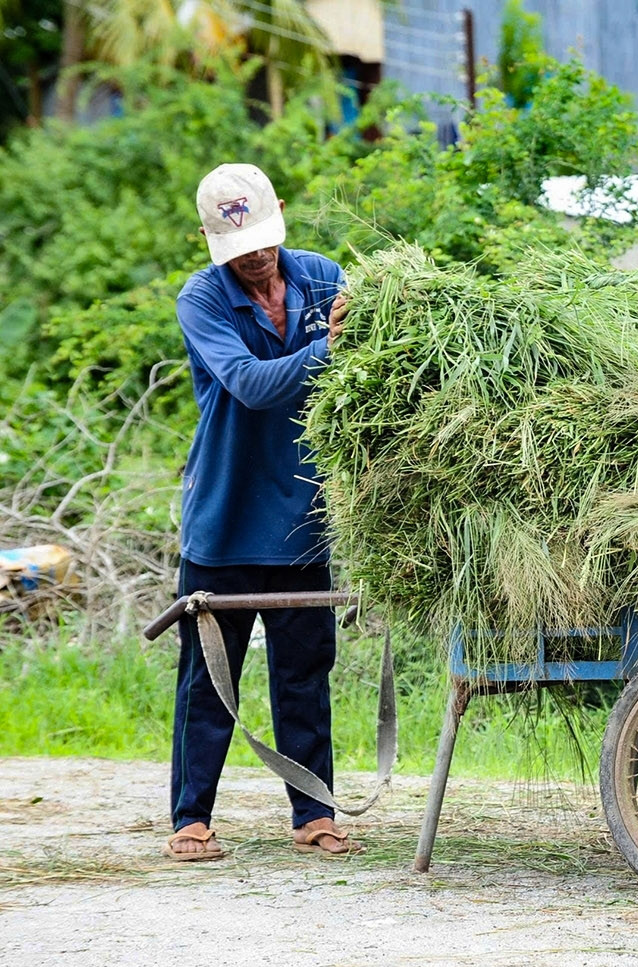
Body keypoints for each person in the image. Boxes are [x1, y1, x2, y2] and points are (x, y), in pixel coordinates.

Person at [164, 163, 354, 861]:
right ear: (210, 240)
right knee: (209, 682)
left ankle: (314, 813)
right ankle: (191, 817)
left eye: (264, 239)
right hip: (226, 516)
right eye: (239, 247)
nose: (256, 256)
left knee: (305, 674)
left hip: (302, 517)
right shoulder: (202, 298)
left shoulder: (323, 278)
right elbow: (248, 383)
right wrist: (328, 348)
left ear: (280, 214)